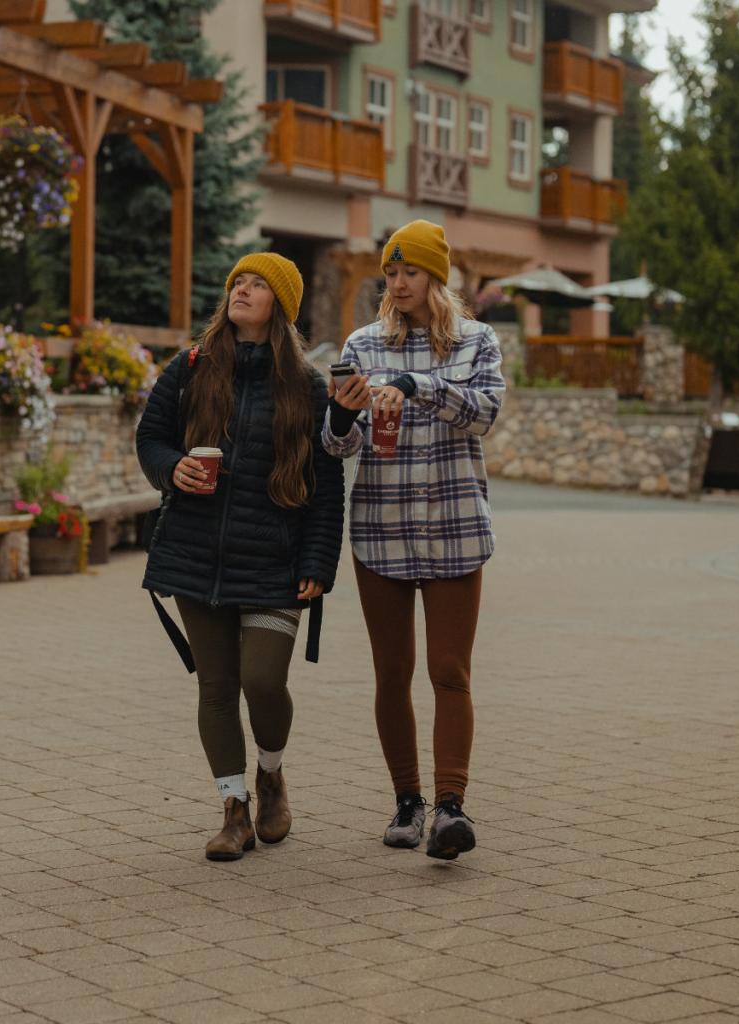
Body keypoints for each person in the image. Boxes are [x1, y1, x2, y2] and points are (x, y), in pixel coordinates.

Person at [137, 253, 345, 861]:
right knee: (218, 686)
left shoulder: (307, 386)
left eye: (256, 285)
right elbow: (150, 438)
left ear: (279, 305)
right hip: (195, 557)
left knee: (263, 680)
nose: (242, 291)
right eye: (237, 283)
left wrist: (318, 562)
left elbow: (326, 486)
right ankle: (234, 809)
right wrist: (171, 468)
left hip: (275, 563)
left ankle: (272, 772)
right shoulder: (192, 368)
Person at [323, 220, 504, 860]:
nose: (397, 284)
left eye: (410, 273)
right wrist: (343, 412)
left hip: (455, 528)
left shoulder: (477, 341)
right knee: (392, 673)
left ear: (435, 277)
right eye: (390, 273)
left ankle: (451, 810)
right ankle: (408, 802)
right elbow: (339, 446)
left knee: (449, 671)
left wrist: (419, 385)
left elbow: (485, 413)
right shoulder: (363, 344)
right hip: (381, 530)